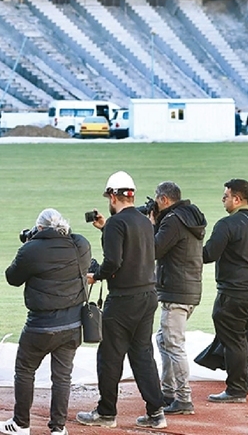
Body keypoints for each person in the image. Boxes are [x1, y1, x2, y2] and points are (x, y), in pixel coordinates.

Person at [77, 171, 165, 430]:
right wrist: (106, 228)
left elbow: (114, 261)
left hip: (124, 298)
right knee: (142, 355)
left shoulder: (117, 223)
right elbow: (135, 248)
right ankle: (156, 412)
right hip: (148, 295)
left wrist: (96, 276)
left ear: (113, 196)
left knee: (110, 356)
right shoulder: (144, 221)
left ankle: (106, 413)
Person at [0, 209, 89, 435]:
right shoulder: (80, 245)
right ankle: (58, 428)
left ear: (39, 228)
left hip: (40, 326)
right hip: (72, 325)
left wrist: (29, 244)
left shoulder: (31, 249)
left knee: (25, 370)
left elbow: (12, 277)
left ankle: (21, 424)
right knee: (62, 377)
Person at [198, 179, 248, 404]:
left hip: (233, 293)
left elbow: (208, 254)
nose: (223, 201)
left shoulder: (226, 224)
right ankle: (245, 380)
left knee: (234, 340)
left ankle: (236, 388)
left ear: (237, 198)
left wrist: (185, 250)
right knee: (243, 339)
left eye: (225, 197)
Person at [149, 181, 207, 416]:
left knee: (173, 344)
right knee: (164, 340)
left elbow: (153, 250)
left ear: (164, 199)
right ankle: (169, 392)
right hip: (188, 288)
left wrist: (153, 224)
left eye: (156, 198)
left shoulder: (173, 220)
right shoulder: (190, 217)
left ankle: (183, 398)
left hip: (177, 291)